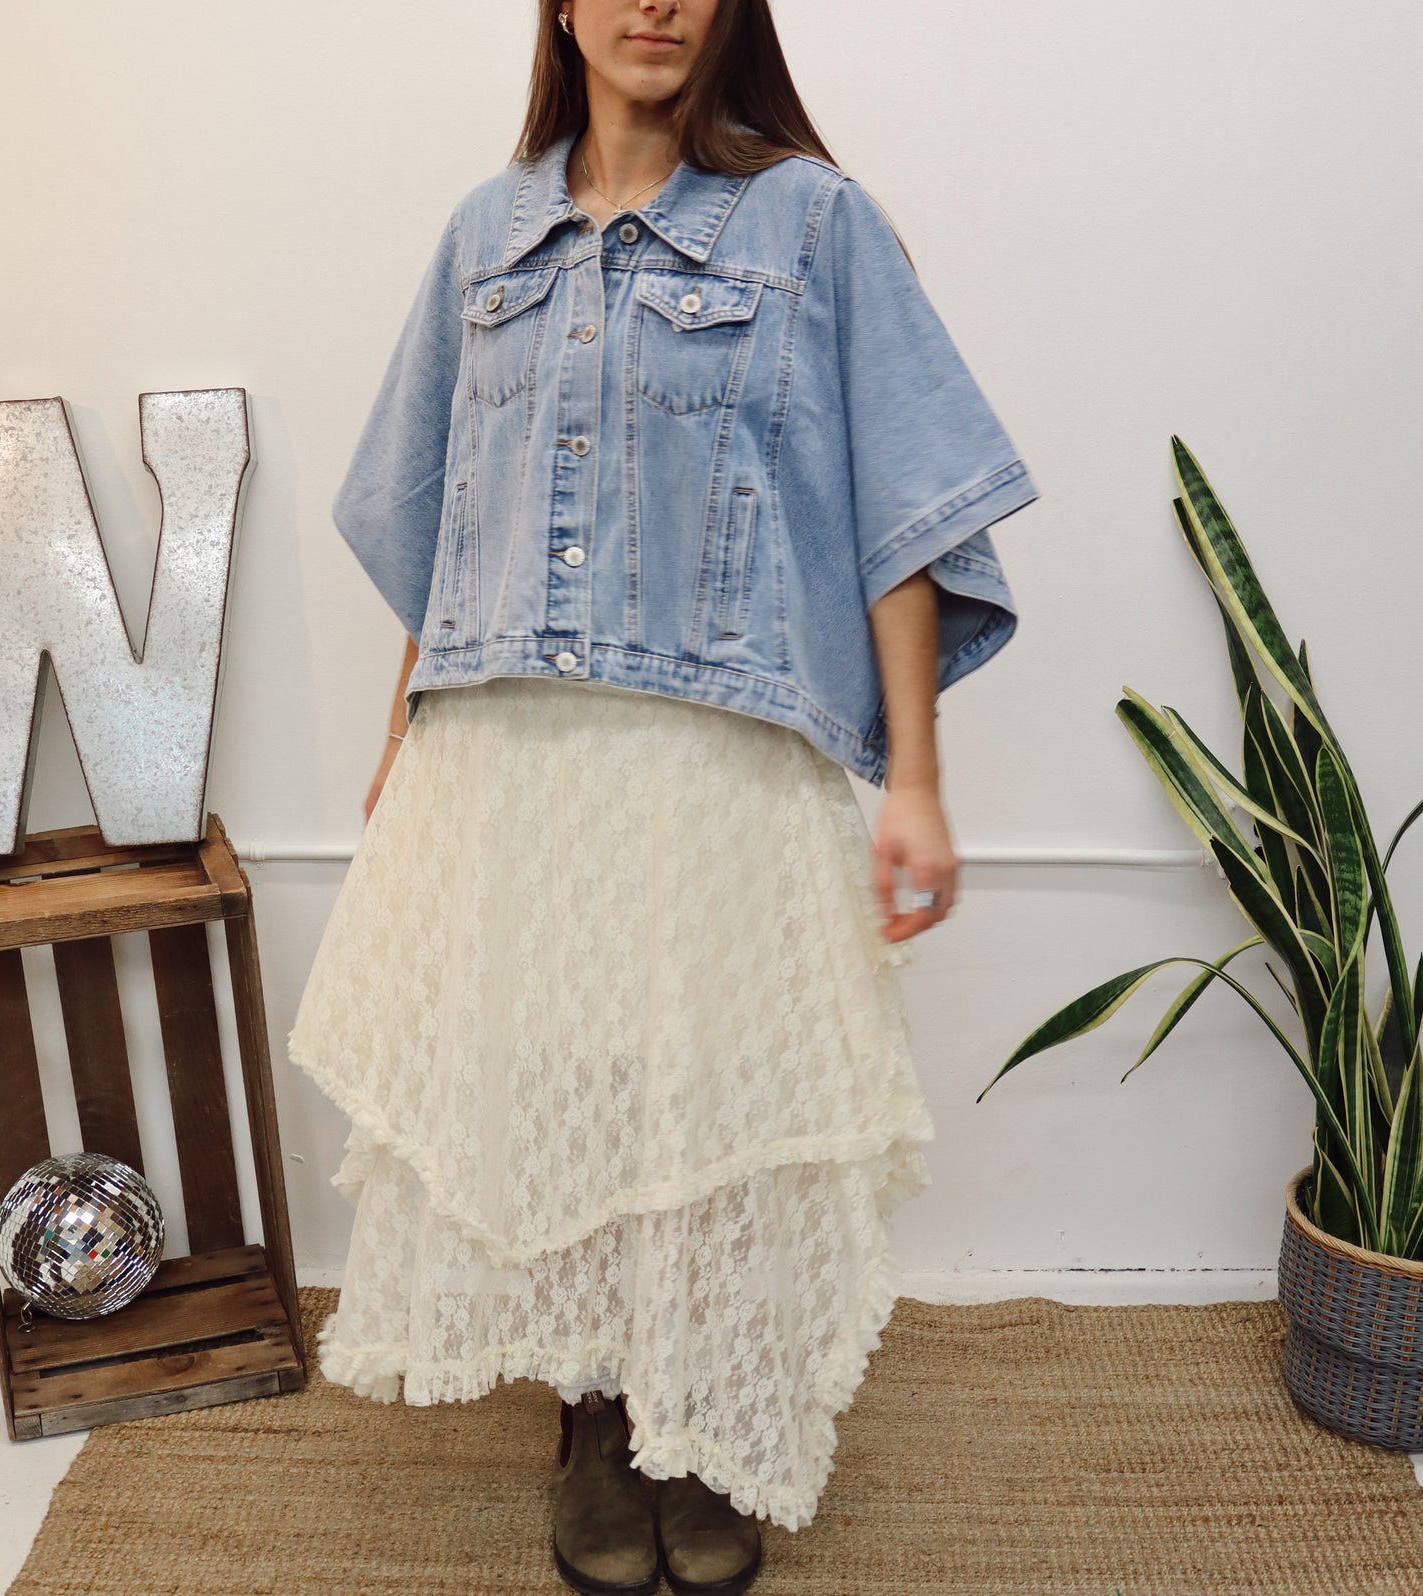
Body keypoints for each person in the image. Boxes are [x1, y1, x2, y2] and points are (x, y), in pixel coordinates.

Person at [287, 2, 1040, 1593]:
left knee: (708, 1090)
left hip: (716, 751)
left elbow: (904, 507)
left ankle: (693, 1426)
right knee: (556, 1075)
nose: (654, 4)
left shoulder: (811, 221)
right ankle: (591, 1415)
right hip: (513, 748)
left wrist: (914, 776)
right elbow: (448, 510)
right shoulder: (484, 235)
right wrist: (405, 721)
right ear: (560, 7)